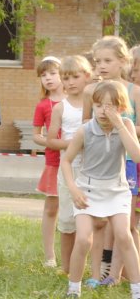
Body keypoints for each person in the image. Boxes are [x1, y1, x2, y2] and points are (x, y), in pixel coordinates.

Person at [61, 80, 140, 299]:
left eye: (110, 106)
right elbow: (66, 161)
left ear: (122, 108)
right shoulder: (85, 130)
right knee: (84, 238)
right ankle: (73, 289)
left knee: (123, 236)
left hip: (116, 190)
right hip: (87, 190)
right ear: (92, 107)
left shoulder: (124, 125)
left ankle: (136, 293)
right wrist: (74, 189)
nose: (104, 112)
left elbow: (136, 156)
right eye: (98, 106)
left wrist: (121, 125)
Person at [83, 36, 140, 285]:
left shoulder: (134, 91)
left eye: (108, 60)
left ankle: (115, 275)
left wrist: (121, 125)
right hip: (97, 166)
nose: (102, 66)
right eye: (98, 61)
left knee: (124, 222)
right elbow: (85, 126)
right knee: (99, 221)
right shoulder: (92, 91)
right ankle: (101, 270)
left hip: (126, 162)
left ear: (123, 61)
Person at [47, 55, 93, 276]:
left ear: (87, 76)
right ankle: (66, 268)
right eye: (66, 78)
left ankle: (95, 268)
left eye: (75, 77)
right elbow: (51, 140)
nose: (71, 82)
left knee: (94, 220)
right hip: (69, 169)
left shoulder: (93, 102)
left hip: (94, 168)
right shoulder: (60, 108)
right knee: (67, 222)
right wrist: (75, 144)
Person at [32, 56, 64, 268]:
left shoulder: (76, 101)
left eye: (52, 73)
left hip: (78, 162)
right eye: (44, 75)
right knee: (51, 209)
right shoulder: (43, 105)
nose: (48, 78)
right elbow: (37, 135)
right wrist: (49, 142)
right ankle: (50, 256)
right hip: (54, 162)